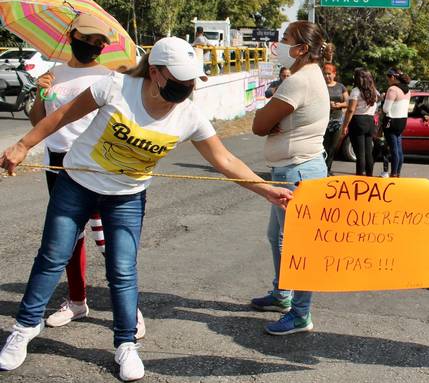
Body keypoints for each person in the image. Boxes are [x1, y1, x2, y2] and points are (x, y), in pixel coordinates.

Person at [0, 37, 292, 381]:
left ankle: (125, 345)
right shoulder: (115, 86)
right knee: (52, 257)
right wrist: (21, 145)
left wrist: (265, 190)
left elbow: (225, 159)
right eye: (180, 81)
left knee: (122, 270)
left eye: (191, 82)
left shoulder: (188, 115)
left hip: (127, 197)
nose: (187, 88)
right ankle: (24, 328)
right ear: (154, 72)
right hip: (77, 184)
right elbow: (61, 117)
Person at [27, 14, 146, 336]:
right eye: (88, 39)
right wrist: (40, 93)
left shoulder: (107, 77)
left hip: (93, 164)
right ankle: (77, 300)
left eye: (99, 43)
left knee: (108, 240)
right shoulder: (53, 75)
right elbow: (39, 120)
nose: (92, 46)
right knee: (68, 238)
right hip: (56, 162)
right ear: (72, 35)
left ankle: (129, 308)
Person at [250, 20, 330, 336]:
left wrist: (270, 121)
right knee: (278, 239)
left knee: (298, 247)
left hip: (297, 171)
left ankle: (300, 314)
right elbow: (268, 122)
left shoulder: (298, 81)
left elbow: (258, 124)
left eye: (286, 39)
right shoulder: (306, 76)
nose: (280, 44)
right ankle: (283, 295)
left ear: (302, 49)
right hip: (292, 170)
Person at [342, 68, 378, 177]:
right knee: (368, 152)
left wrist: (345, 125)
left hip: (358, 121)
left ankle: (359, 176)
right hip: (370, 121)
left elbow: (351, 109)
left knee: (360, 153)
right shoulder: (374, 91)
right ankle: (369, 175)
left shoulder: (356, 91)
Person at [321, 46, 348, 175]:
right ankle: (320, 169)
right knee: (321, 147)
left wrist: (338, 105)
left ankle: (328, 169)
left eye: (329, 73)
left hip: (336, 120)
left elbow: (348, 102)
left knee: (332, 147)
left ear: (334, 74)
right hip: (322, 120)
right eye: (325, 73)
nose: (327, 76)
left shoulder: (340, 86)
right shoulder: (319, 85)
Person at [381, 68, 411, 178]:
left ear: (393, 77)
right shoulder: (407, 90)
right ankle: (397, 172)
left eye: (388, 78)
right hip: (402, 120)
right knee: (399, 148)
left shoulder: (392, 89)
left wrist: (383, 98)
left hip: (392, 120)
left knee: (393, 149)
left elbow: (385, 109)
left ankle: (393, 173)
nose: (388, 81)